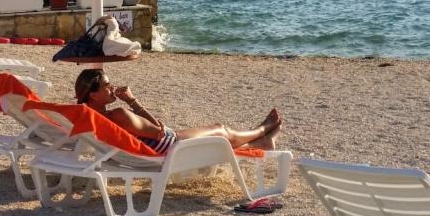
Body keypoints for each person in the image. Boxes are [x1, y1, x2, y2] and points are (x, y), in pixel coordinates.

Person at [74, 70, 282, 153]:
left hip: (154, 148)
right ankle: (262, 129)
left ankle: (261, 143)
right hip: (170, 147)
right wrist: (132, 100)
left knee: (219, 140)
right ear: (93, 94)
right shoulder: (118, 114)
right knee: (221, 130)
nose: (112, 88)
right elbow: (159, 131)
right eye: (107, 86)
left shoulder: (88, 116)